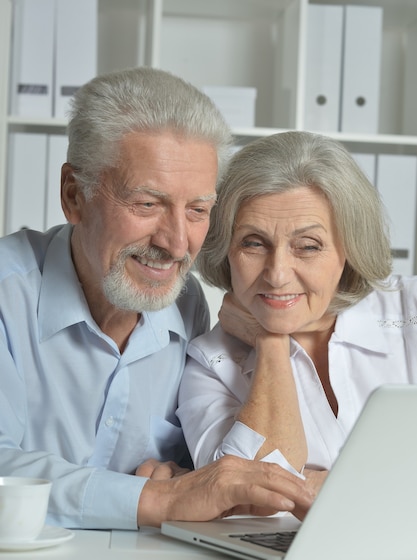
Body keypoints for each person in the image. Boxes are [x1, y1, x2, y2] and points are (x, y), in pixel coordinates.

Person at [0, 68, 312, 530]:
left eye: (197, 211)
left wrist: (180, 476)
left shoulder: (184, 302)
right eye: (147, 205)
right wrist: (153, 498)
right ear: (74, 196)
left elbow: (196, 476)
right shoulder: (9, 294)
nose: (177, 243)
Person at [177, 130, 417, 497]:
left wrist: (332, 488)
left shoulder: (409, 311)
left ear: (348, 250)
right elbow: (245, 499)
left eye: (307, 246)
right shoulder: (210, 363)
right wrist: (270, 343)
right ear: (226, 248)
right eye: (254, 243)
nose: (277, 275)